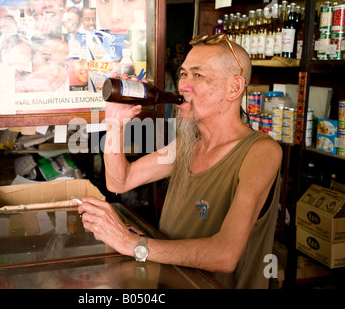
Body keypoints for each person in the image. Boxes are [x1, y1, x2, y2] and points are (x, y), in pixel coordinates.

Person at [78, 34, 283, 289]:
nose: (183, 85)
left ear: (234, 88)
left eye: (198, 75)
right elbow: (119, 182)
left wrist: (135, 245)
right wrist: (115, 125)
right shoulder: (189, 144)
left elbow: (225, 255)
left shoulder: (261, 151)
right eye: (184, 74)